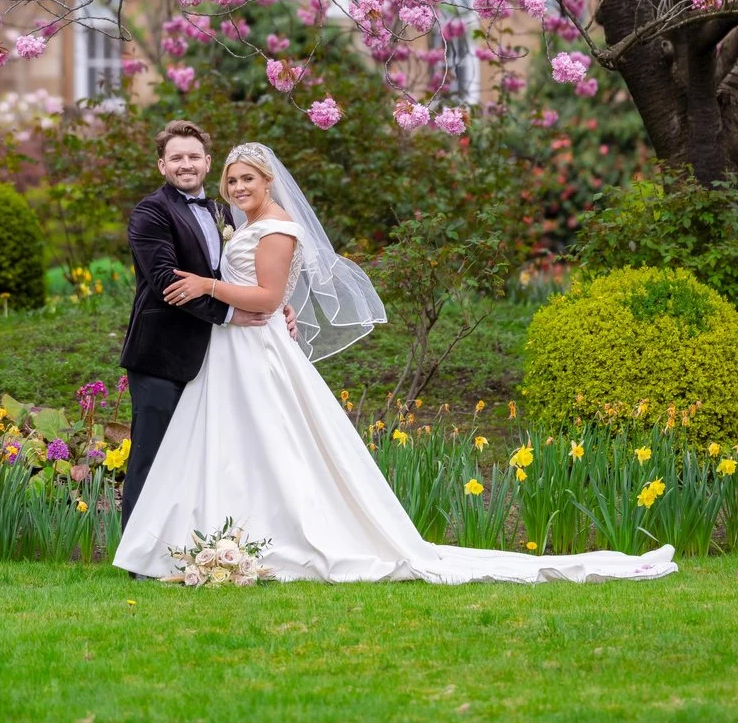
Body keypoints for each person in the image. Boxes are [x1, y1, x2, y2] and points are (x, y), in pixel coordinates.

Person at [114, 141, 679, 584]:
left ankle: (276, 538)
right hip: (226, 348)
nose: (237, 186)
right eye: (232, 179)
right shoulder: (223, 216)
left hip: (254, 345)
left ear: (268, 182)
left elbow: (261, 295)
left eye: (247, 179)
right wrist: (262, 300)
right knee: (226, 444)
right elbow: (258, 289)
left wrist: (221, 288)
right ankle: (220, 535)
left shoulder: (278, 225)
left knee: (273, 441)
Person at [115, 120, 285, 519]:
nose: (185, 164)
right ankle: (137, 558)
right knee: (151, 456)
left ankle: (185, 545)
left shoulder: (224, 211)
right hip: (161, 354)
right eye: (176, 158)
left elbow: (242, 274)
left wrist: (275, 305)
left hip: (216, 357)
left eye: (193, 156)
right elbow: (166, 283)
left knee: (200, 460)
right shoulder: (150, 213)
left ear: (208, 163)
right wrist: (231, 312)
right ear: (162, 166)